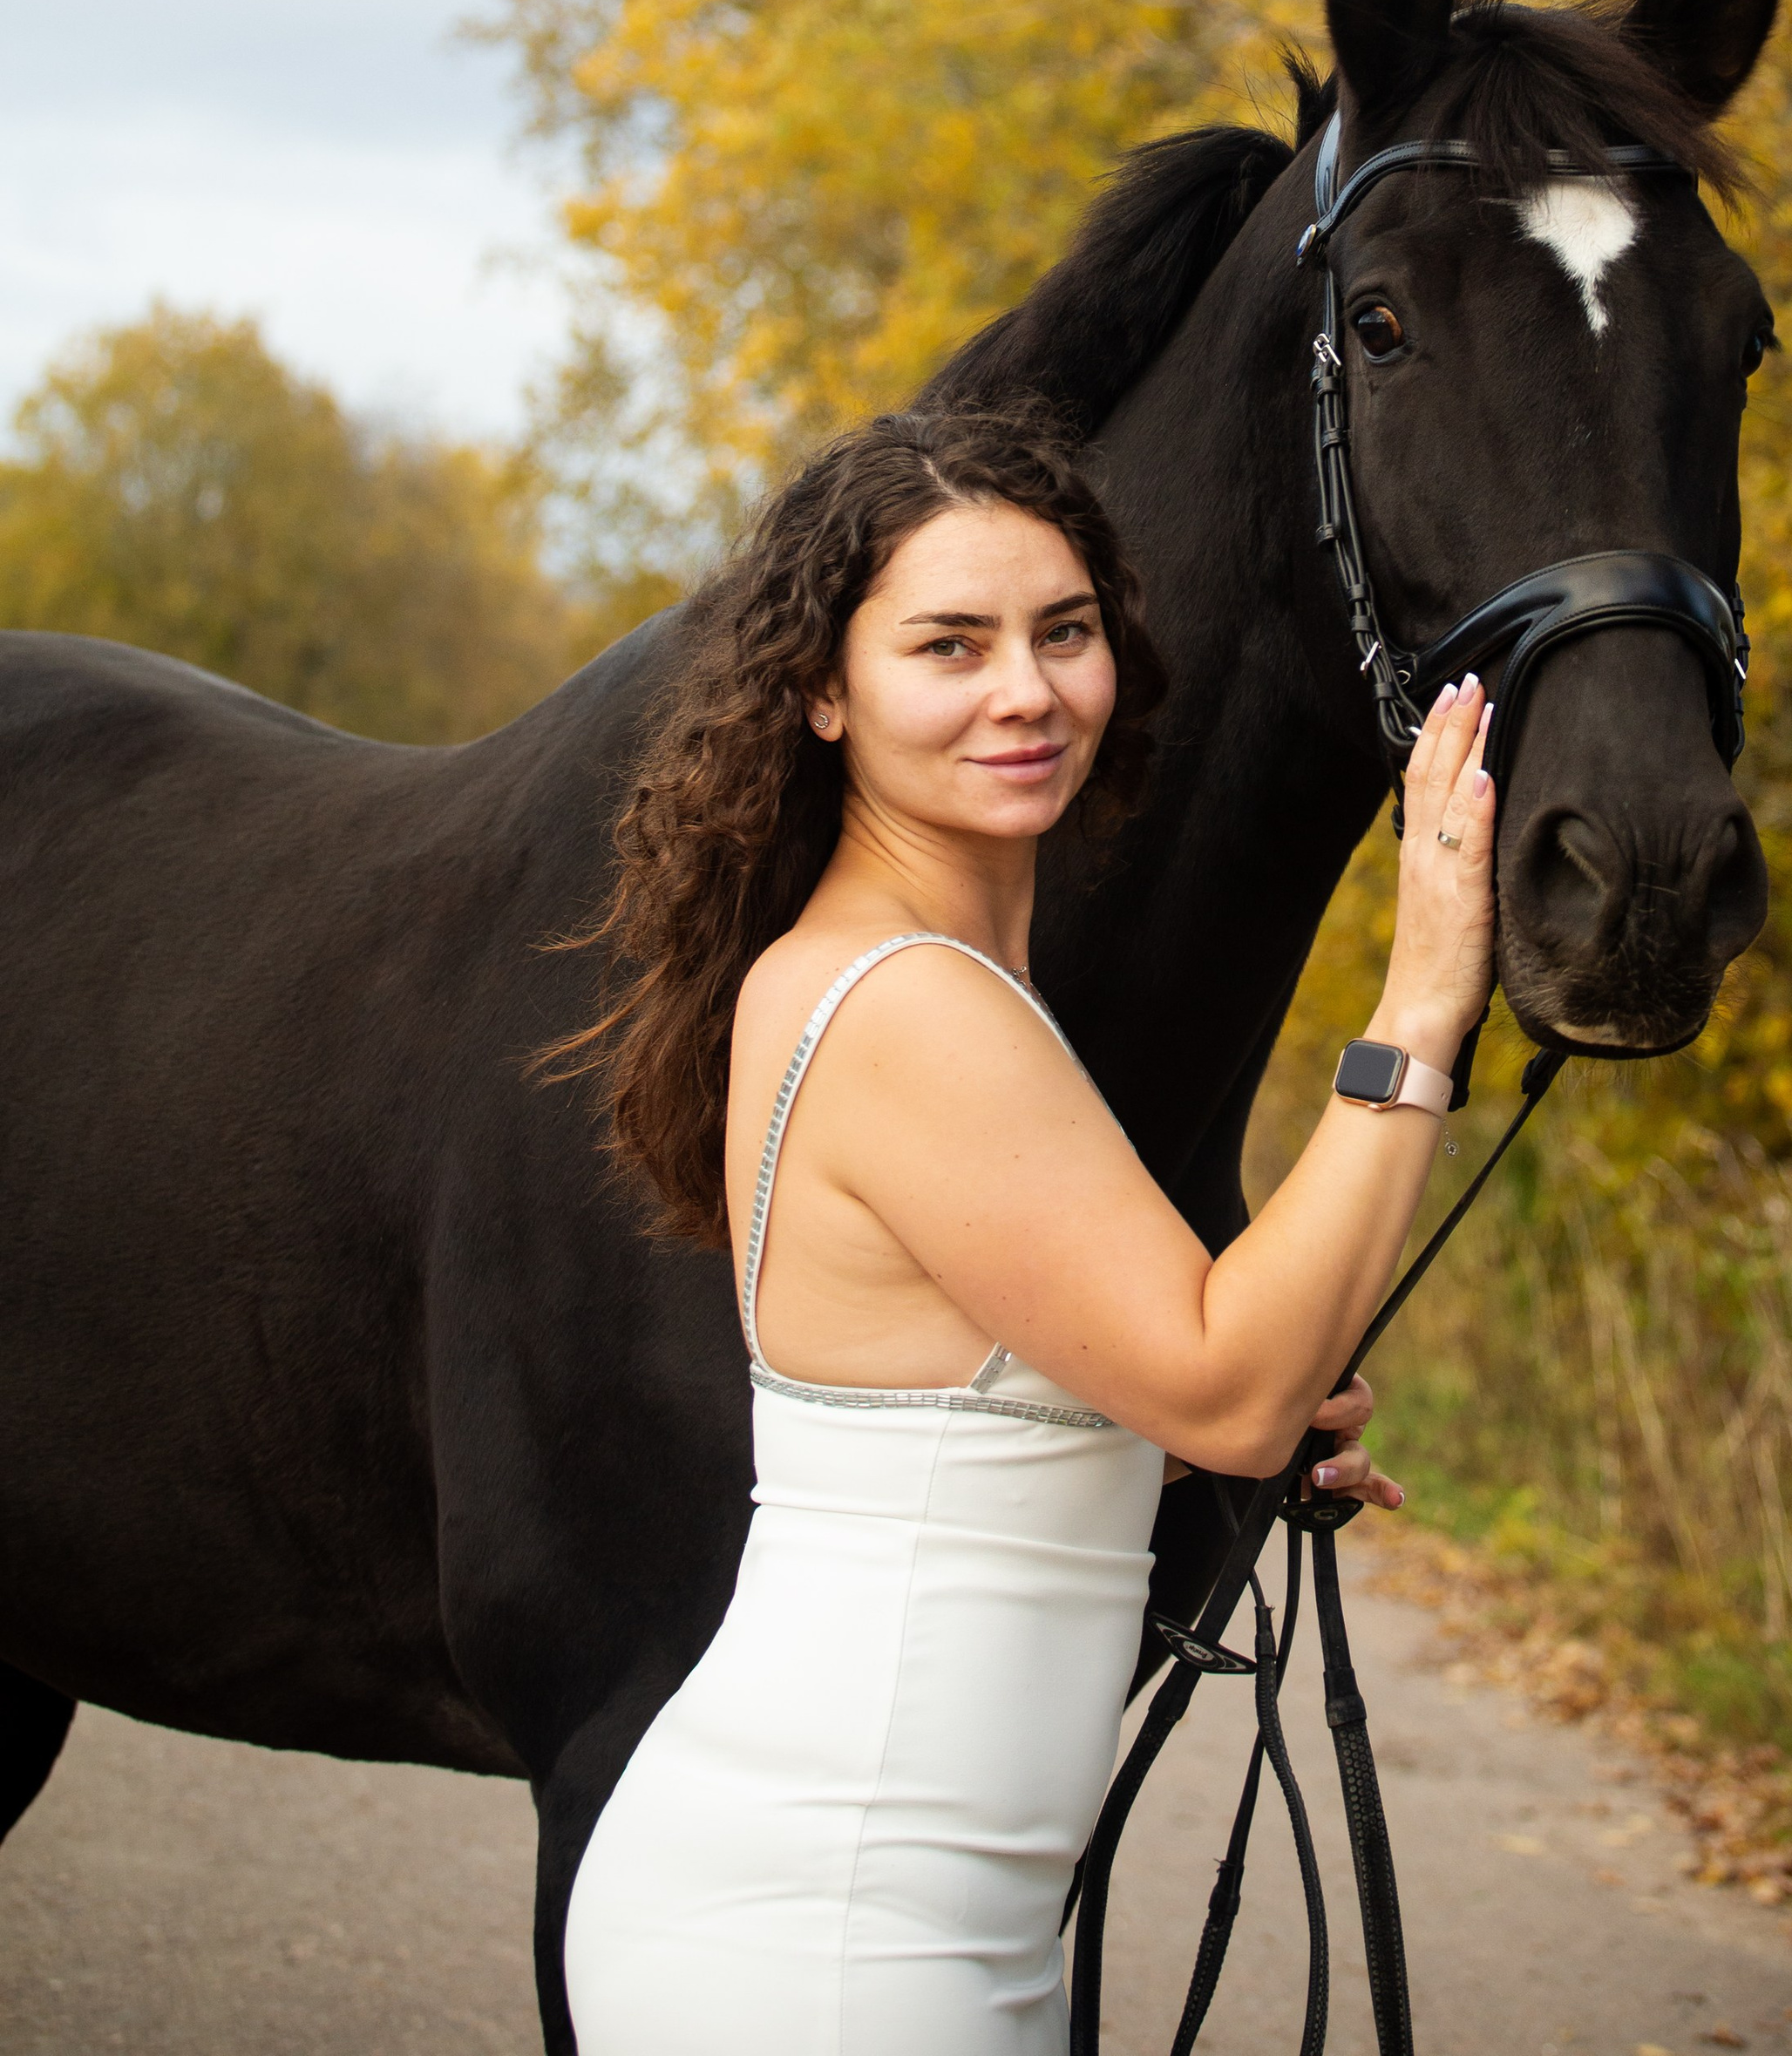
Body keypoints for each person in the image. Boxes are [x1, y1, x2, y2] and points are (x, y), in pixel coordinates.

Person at [560, 401, 1496, 2056]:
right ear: (823, 691)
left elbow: (1125, 1378)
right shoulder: (917, 1007)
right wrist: (1422, 991)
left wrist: (1189, 1424)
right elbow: (1223, 1380)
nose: (1027, 689)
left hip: (896, 1926)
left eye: (1064, 631)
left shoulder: (914, 978)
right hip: (829, 1946)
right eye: (950, 643)